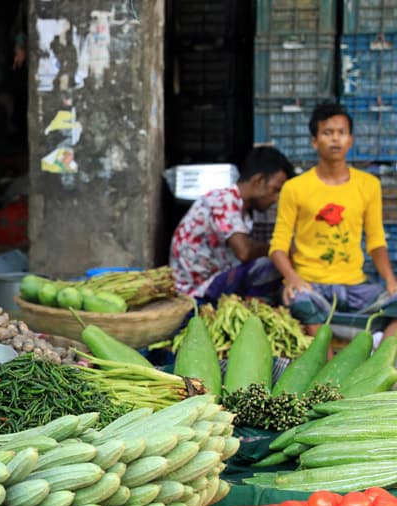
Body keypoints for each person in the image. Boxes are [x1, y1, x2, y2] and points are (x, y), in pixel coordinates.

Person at [270, 102, 397, 336]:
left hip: (356, 287)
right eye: (327, 133)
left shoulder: (369, 186)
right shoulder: (294, 188)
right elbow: (278, 245)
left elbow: (376, 240)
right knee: (300, 302)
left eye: (342, 133)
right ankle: (329, 369)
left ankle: (381, 364)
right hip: (311, 286)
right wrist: (292, 277)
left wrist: (391, 280)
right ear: (314, 141)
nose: (335, 139)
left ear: (351, 140)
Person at [170, 146, 295, 301]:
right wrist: (279, 250)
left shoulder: (243, 210)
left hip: (212, 282)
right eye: (276, 190)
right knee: (272, 264)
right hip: (196, 290)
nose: (276, 198)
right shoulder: (224, 200)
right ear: (259, 181)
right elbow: (244, 252)